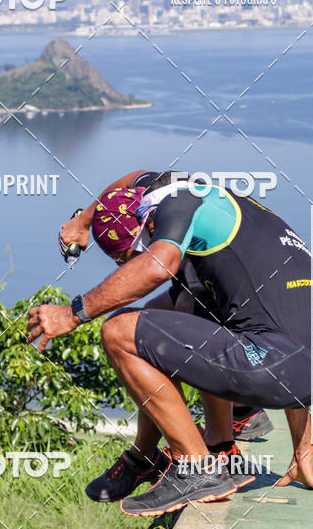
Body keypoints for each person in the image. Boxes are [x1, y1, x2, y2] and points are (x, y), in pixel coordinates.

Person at [29, 174, 313, 517]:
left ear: (149, 223)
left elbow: (157, 267)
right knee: (172, 311)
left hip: (273, 364)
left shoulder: (179, 204)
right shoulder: (222, 206)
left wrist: (74, 313)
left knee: (118, 332)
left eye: (134, 254)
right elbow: (294, 333)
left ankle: (196, 468)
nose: (133, 263)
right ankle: (189, 451)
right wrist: (303, 454)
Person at [60, 171, 274, 444]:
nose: (121, 266)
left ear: (146, 231)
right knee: (150, 318)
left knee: (187, 312)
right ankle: (146, 452)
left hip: (247, 278)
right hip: (225, 254)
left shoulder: (178, 229)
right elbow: (132, 177)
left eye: (125, 257)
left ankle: (228, 432)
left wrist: (74, 314)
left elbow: (156, 271)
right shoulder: (145, 194)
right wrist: (83, 220)